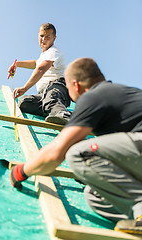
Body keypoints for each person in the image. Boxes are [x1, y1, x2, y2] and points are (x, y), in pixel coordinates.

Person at [10, 57, 142, 234]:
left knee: (79, 153)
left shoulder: (94, 96)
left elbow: (57, 152)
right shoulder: (121, 95)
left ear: (76, 85)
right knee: (94, 195)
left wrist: (22, 171)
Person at [8, 23, 71, 125]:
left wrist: (25, 88)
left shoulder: (54, 51)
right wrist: (17, 64)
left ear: (54, 38)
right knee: (24, 102)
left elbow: (41, 69)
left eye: (48, 37)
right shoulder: (44, 55)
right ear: (38, 36)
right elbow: (35, 63)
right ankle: (50, 110)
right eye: (42, 36)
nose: (44, 39)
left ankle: (65, 116)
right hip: (43, 94)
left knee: (51, 99)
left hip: (57, 87)